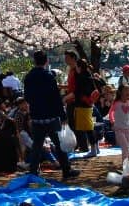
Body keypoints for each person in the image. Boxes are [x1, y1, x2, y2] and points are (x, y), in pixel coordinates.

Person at [22, 50, 79, 181]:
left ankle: (33, 172)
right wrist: (63, 115)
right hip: (51, 116)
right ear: (46, 61)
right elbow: (56, 98)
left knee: (37, 145)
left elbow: (27, 97)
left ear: (34, 61)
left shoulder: (29, 77)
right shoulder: (49, 76)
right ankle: (66, 170)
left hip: (36, 116)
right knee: (59, 144)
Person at [72, 58, 99, 156]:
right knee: (90, 126)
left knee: (88, 128)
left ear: (79, 67)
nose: (76, 69)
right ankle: (96, 148)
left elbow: (77, 92)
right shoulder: (89, 75)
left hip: (83, 105)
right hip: (89, 104)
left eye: (76, 67)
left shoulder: (81, 78)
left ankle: (93, 150)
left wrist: (66, 97)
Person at [111, 84, 129, 166]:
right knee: (125, 147)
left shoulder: (128, 101)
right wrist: (112, 122)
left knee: (127, 147)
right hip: (118, 129)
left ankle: (127, 160)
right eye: (125, 90)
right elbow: (111, 113)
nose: (128, 92)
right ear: (120, 92)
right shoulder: (116, 103)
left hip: (127, 128)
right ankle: (126, 164)